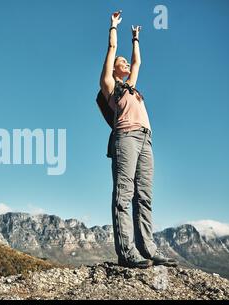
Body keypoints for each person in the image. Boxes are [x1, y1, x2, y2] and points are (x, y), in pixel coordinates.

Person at [99, 10, 177, 268]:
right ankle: (126, 251)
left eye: (125, 62)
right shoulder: (110, 84)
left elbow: (138, 64)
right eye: (121, 62)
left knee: (144, 196)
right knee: (124, 193)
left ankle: (148, 248)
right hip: (126, 136)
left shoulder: (132, 85)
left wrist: (135, 39)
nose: (125, 64)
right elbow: (112, 48)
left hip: (146, 140)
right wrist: (114, 27)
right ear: (114, 68)